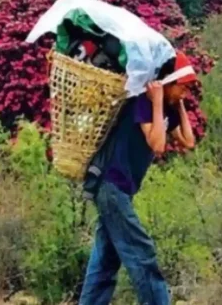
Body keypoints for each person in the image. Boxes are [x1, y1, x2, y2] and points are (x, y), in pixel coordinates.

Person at [79, 51, 198, 305]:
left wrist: (179, 104)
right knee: (141, 252)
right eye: (183, 88)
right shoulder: (143, 103)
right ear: (168, 82)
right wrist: (156, 101)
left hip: (121, 190)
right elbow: (157, 145)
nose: (185, 93)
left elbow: (189, 141)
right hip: (110, 185)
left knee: (106, 260)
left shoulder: (169, 109)